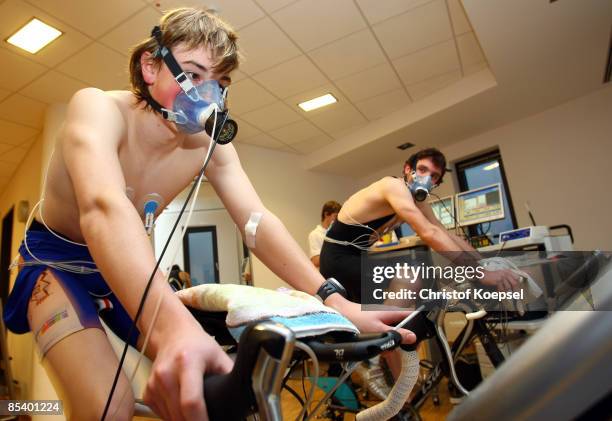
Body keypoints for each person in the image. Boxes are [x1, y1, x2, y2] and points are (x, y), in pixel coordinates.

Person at [2, 8, 415, 420]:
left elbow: (256, 222)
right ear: (151, 67)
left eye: (220, 83)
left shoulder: (209, 146)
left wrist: (336, 300)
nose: (207, 94)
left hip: (123, 267)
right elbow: (104, 209)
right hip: (54, 261)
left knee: (212, 383)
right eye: (194, 74)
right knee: (109, 406)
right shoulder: (97, 108)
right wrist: (173, 327)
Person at [320, 147, 521, 302]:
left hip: (356, 256)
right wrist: (482, 274)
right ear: (408, 169)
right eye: (422, 169)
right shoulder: (393, 186)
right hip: (337, 258)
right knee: (411, 276)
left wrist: (483, 263)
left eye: (433, 176)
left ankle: (393, 344)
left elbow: (442, 231)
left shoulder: (417, 199)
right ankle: (389, 339)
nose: (426, 178)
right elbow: (427, 232)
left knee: (421, 280)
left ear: (436, 183)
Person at [308, 200, 341, 268]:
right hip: (325, 277)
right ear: (326, 214)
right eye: (335, 216)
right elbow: (315, 261)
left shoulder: (340, 233)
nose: (337, 220)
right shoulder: (315, 234)